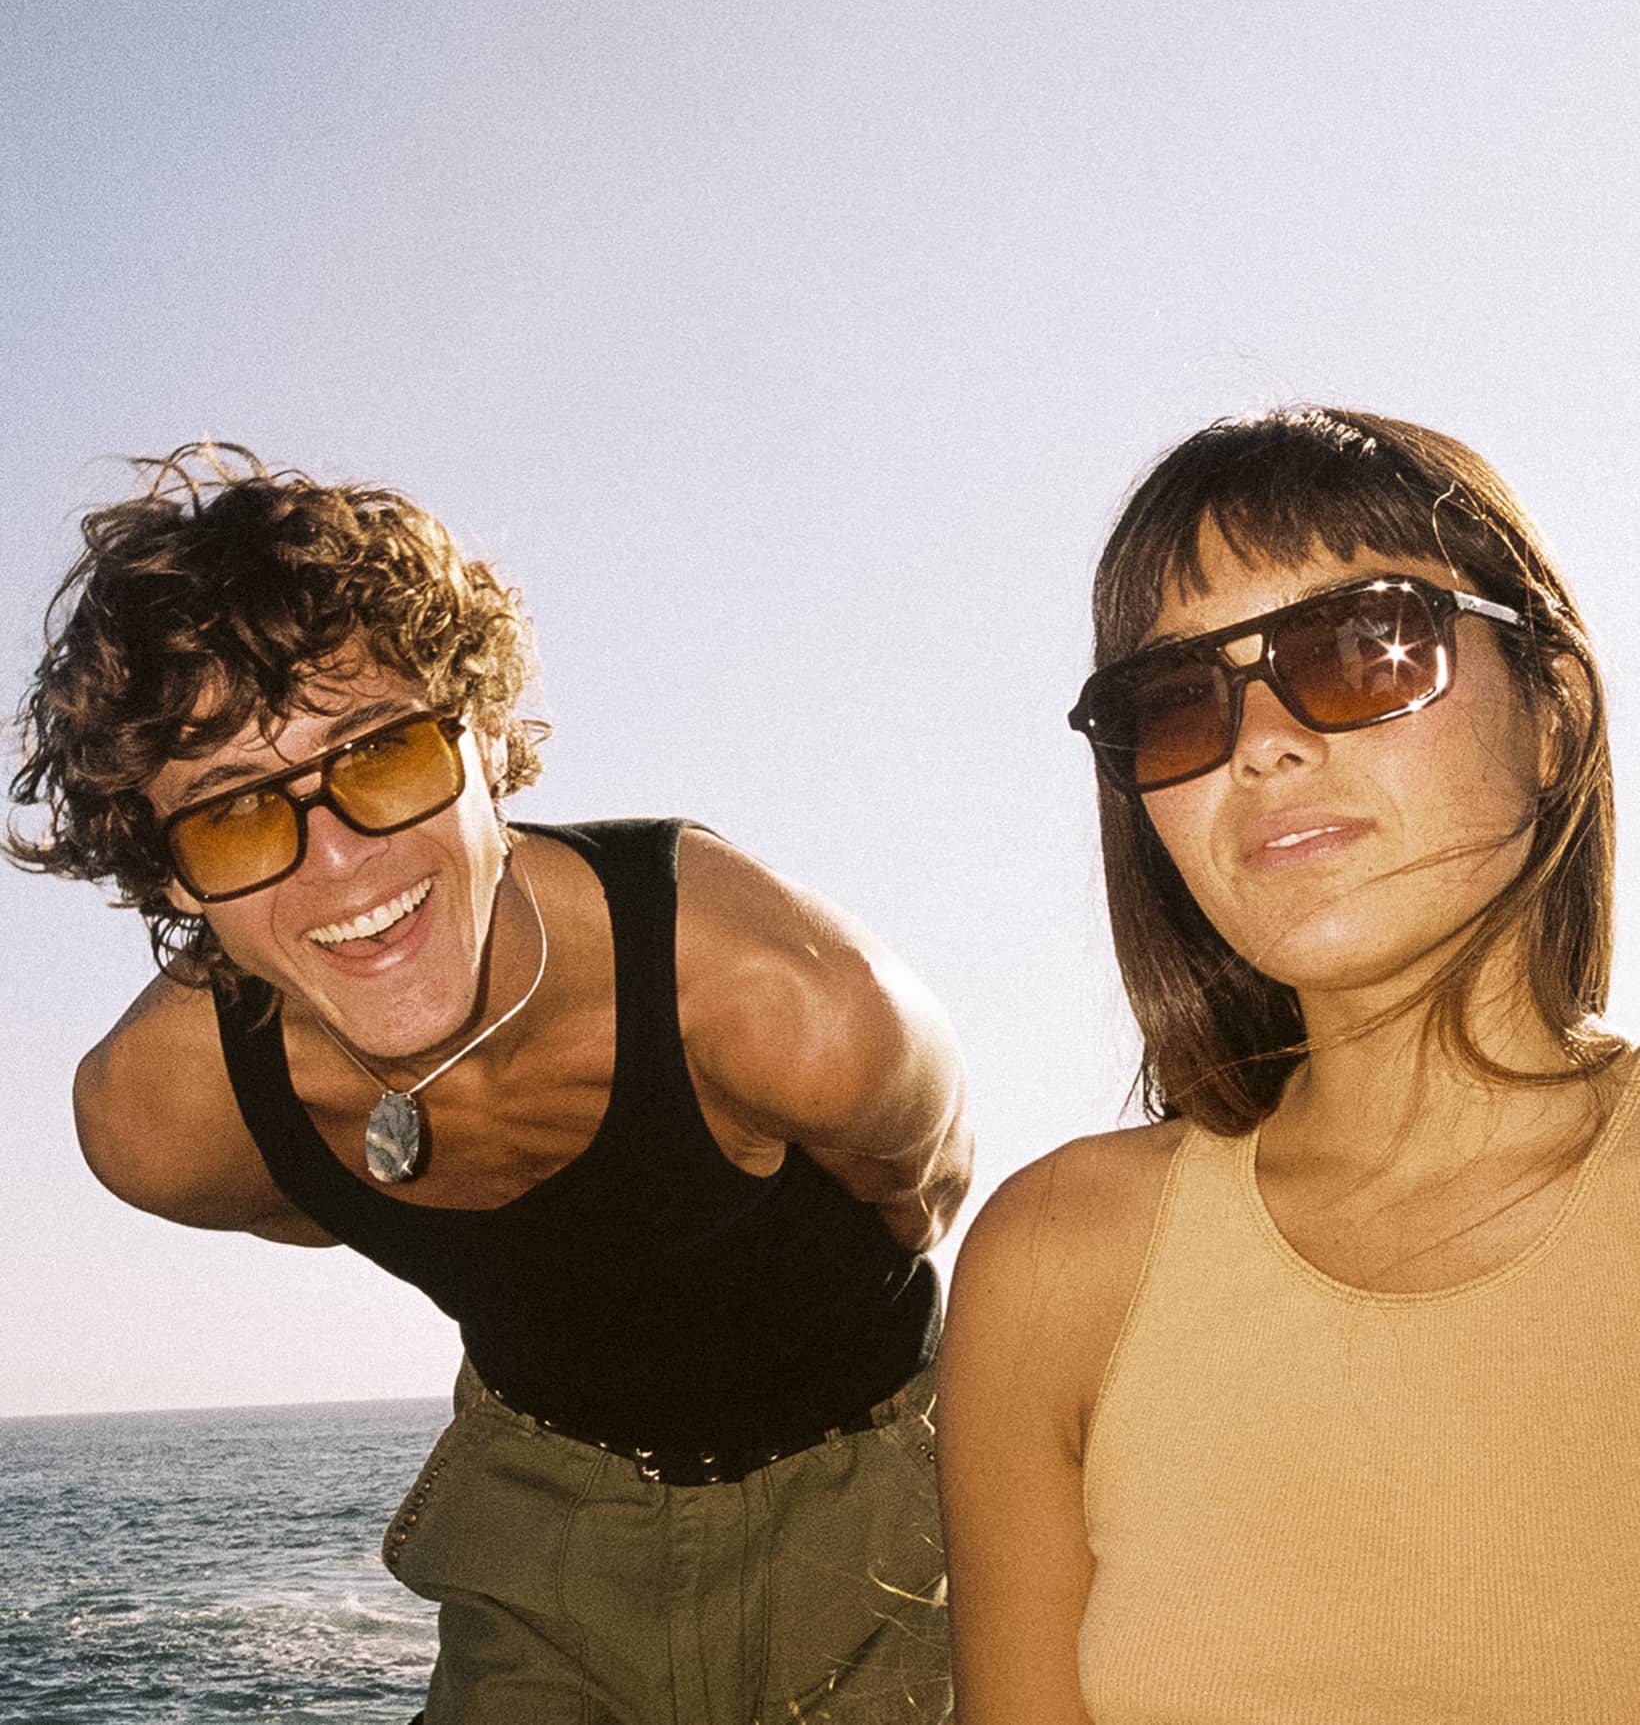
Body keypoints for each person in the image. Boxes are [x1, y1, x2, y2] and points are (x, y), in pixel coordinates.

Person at [10, 443, 971, 1725]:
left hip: (883, 1501)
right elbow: (325, 1207)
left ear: (486, 737)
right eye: (234, 812)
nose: (338, 862)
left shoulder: (785, 1002)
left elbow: (917, 1193)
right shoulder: (161, 1122)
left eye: (380, 754)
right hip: (539, 1524)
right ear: (168, 871)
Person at [938, 406, 1640, 1724]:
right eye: (1175, 701)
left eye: (1362, 645)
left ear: (1553, 711)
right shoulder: (1053, 1262)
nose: (1260, 741)